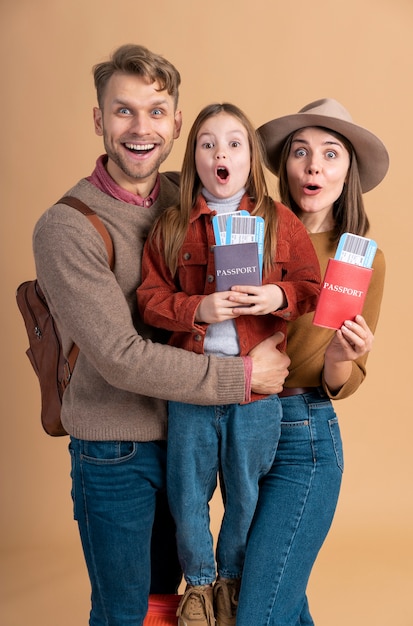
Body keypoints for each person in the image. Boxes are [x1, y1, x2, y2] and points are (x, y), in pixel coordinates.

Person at [31, 45, 290, 626]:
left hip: (190, 438)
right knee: (125, 611)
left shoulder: (192, 197)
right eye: (123, 111)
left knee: (179, 607)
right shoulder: (67, 226)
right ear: (99, 121)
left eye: (156, 111)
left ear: (178, 123)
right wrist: (243, 377)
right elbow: (121, 359)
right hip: (116, 449)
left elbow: (275, 236)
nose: (141, 128)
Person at [137, 102, 321, 626]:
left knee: (246, 493)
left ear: (250, 158)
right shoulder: (172, 226)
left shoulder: (278, 222)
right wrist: (196, 307)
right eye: (208, 142)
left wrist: (275, 296)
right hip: (193, 388)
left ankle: (233, 582)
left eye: (234, 143)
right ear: (193, 156)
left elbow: (309, 287)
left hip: (257, 393)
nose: (221, 152)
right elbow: (149, 298)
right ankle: (198, 587)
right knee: (187, 493)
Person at [230, 98, 389, 625]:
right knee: (275, 598)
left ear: (349, 172)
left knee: (260, 609)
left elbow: (342, 382)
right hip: (243, 425)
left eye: (330, 154)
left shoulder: (361, 257)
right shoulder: (248, 233)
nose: (313, 166)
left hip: (307, 434)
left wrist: (343, 355)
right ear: (284, 166)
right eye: (300, 153)